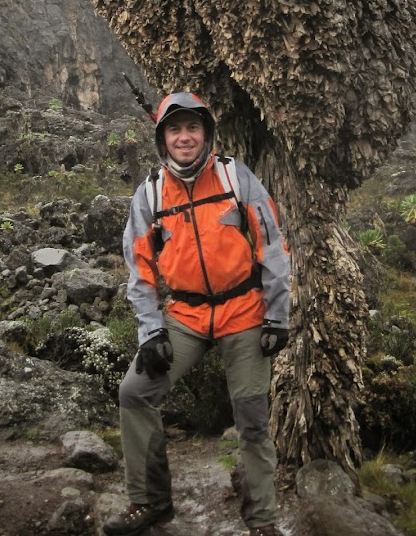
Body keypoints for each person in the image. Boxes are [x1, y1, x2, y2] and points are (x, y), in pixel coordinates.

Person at [103, 92, 290, 536]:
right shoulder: (149, 193)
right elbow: (140, 269)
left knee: (251, 417)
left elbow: (272, 248)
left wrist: (277, 317)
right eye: (174, 129)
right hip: (185, 314)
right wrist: (150, 332)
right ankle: (150, 503)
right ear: (162, 138)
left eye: (192, 128)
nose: (184, 137)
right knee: (134, 392)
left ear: (206, 133)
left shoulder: (235, 178)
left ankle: (262, 521)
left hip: (243, 311)